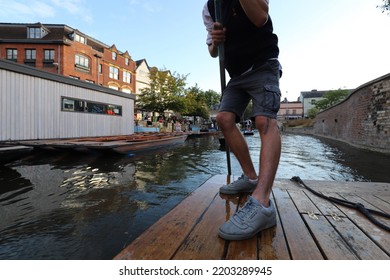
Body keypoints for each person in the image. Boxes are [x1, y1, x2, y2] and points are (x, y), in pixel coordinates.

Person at [202, 0, 282, 241]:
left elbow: (260, 18)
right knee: (224, 118)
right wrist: (215, 40)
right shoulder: (210, 7)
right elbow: (212, 50)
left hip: (262, 65)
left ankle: (262, 202)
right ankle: (250, 178)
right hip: (236, 76)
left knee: (264, 121)